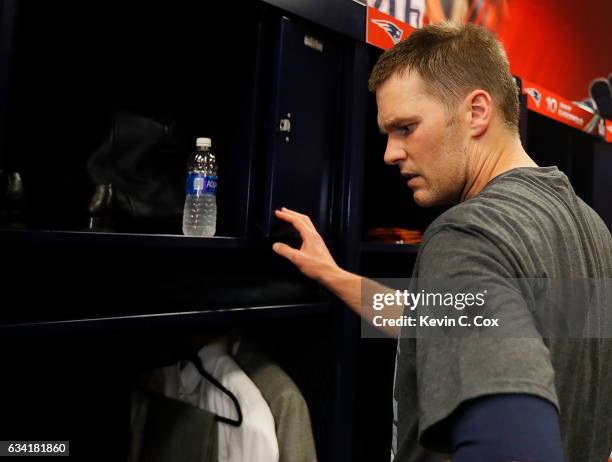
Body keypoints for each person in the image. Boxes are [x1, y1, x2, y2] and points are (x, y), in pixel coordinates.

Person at [271, 23, 612, 462]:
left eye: (406, 128)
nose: (389, 154)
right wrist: (332, 274)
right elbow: (444, 320)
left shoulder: (468, 236)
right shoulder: (591, 228)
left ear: (476, 112)